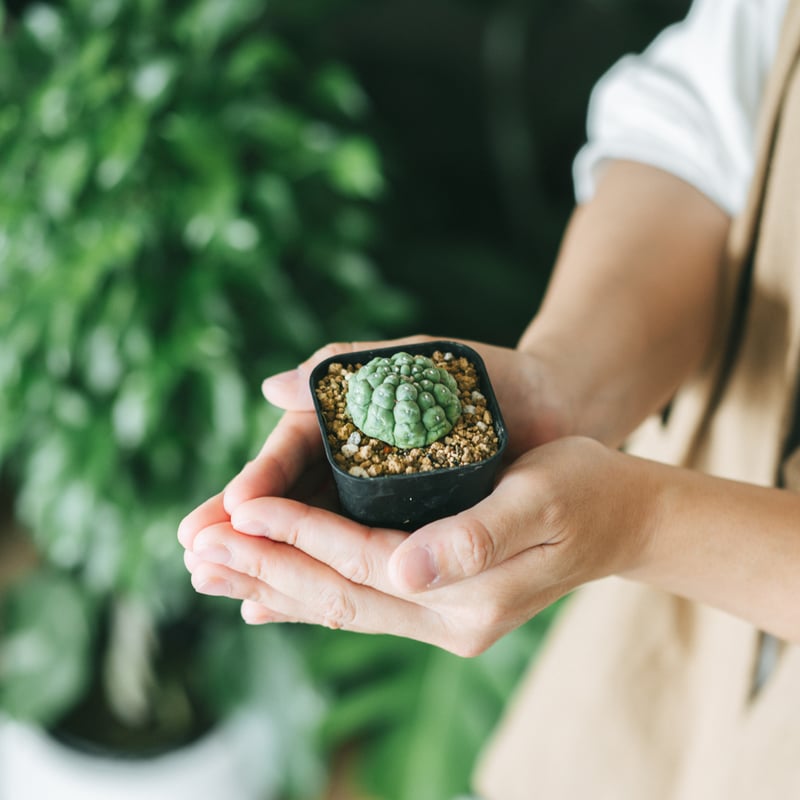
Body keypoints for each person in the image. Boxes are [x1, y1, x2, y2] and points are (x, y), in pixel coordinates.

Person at [179, 0, 800, 796]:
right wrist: (559, 383)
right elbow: (709, 124)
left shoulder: (639, 516)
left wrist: (645, 523)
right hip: (681, 592)